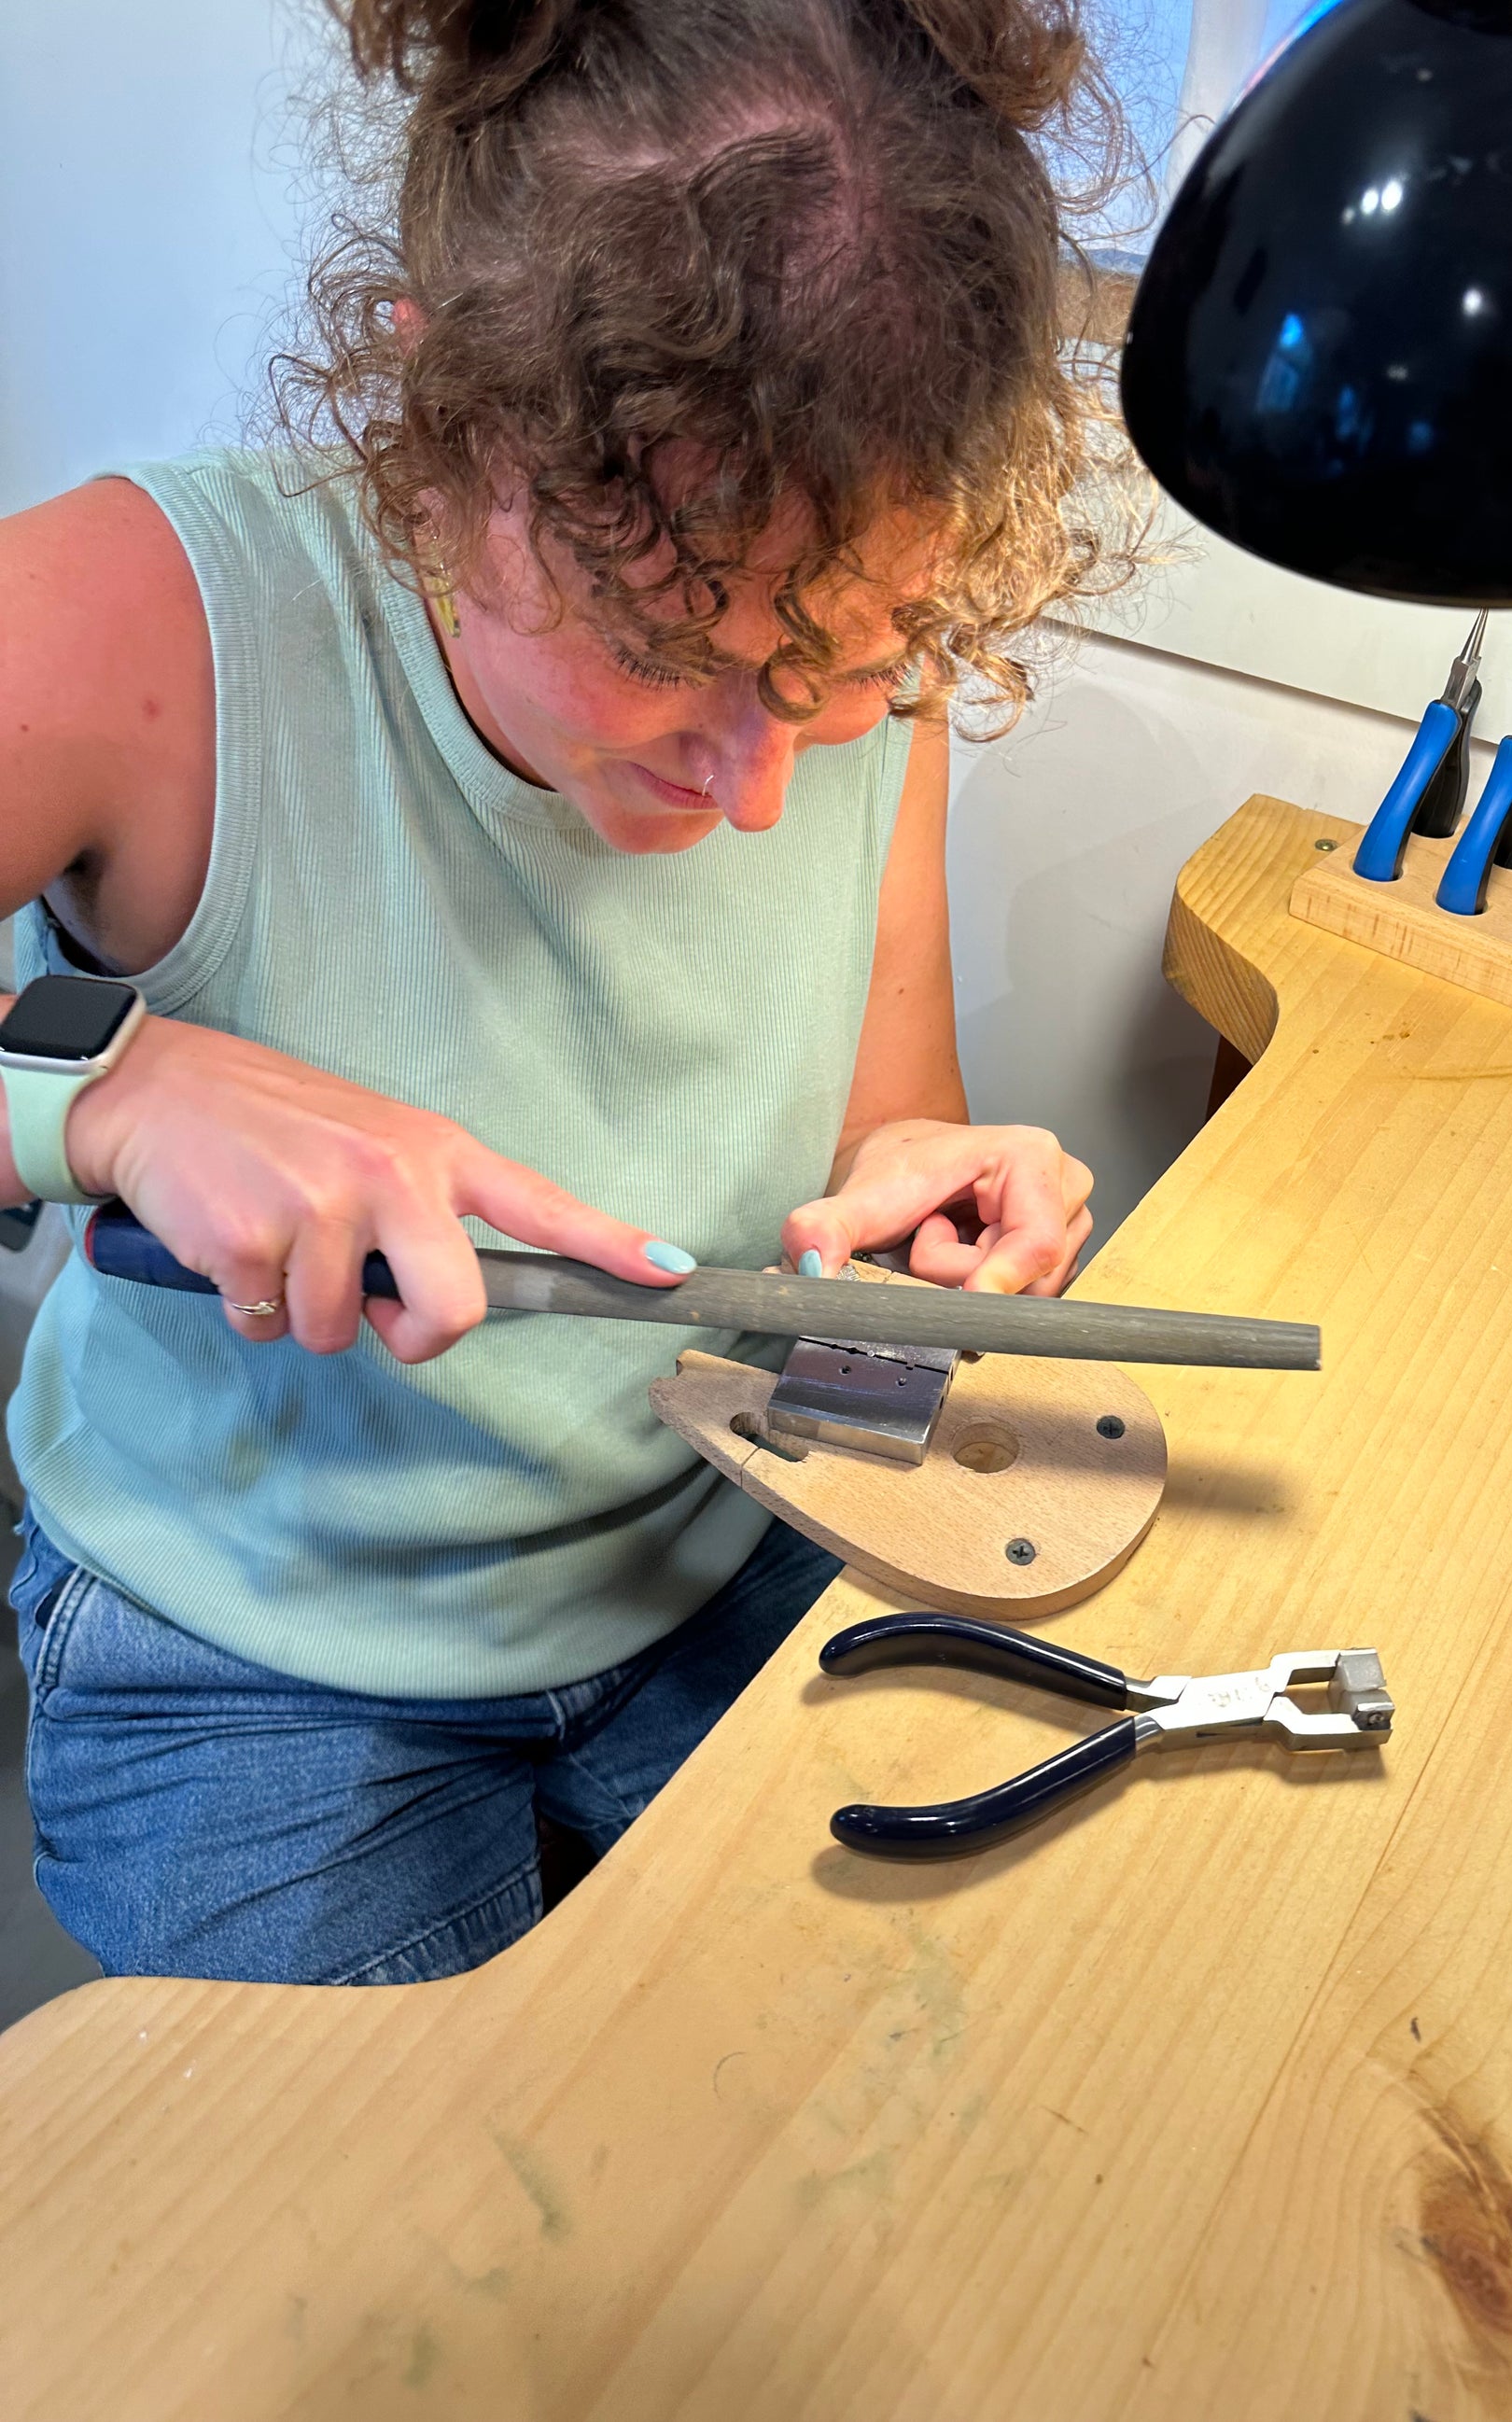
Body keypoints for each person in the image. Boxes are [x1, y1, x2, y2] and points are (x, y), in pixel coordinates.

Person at [0, 0, 1138, 1987]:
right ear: (445, 431)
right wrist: (107, 1090)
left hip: (710, 1536)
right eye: (663, 651)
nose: (762, 780)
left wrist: (928, 1191)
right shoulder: (142, 618)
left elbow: (874, 1127)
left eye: (835, 670)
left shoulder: (829, 618)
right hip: (263, 1650)